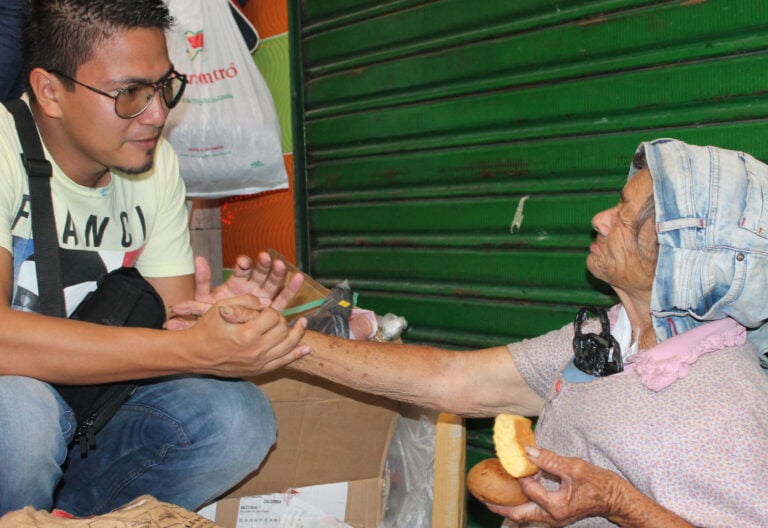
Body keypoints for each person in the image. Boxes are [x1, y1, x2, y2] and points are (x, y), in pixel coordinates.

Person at [180, 138, 768, 526]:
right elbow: (455, 379)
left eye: (623, 213)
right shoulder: (606, 340)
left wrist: (616, 501)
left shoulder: (726, 402)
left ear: (691, 257)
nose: (598, 219)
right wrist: (280, 340)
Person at [0, 0, 309, 518]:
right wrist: (198, 351)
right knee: (20, 413)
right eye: (130, 94)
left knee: (236, 416)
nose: (159, 114)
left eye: (164, 87)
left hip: (82, 416)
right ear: (50, 91)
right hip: (21, 416)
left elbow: (170, 327)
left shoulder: (154, 163)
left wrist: (211, 318)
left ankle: (81, 519)